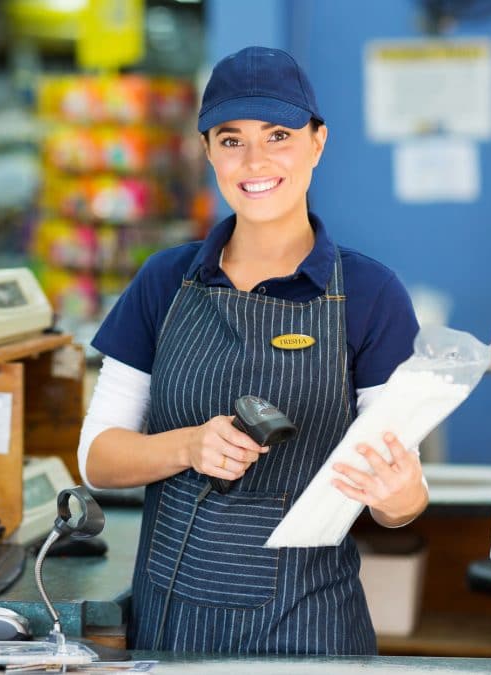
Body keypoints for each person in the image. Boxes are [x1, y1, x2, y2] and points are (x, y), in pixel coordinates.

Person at [76, 46, 428, 655]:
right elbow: (97, 459)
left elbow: (406, 500)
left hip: (311, 628)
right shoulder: (165, 280)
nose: (255, 160)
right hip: (171, 626)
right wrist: (188, 445)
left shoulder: (370, 293)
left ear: (318, 143)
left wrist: (398, 498)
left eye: (279, 135)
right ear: (207, 150)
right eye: (231, 139)